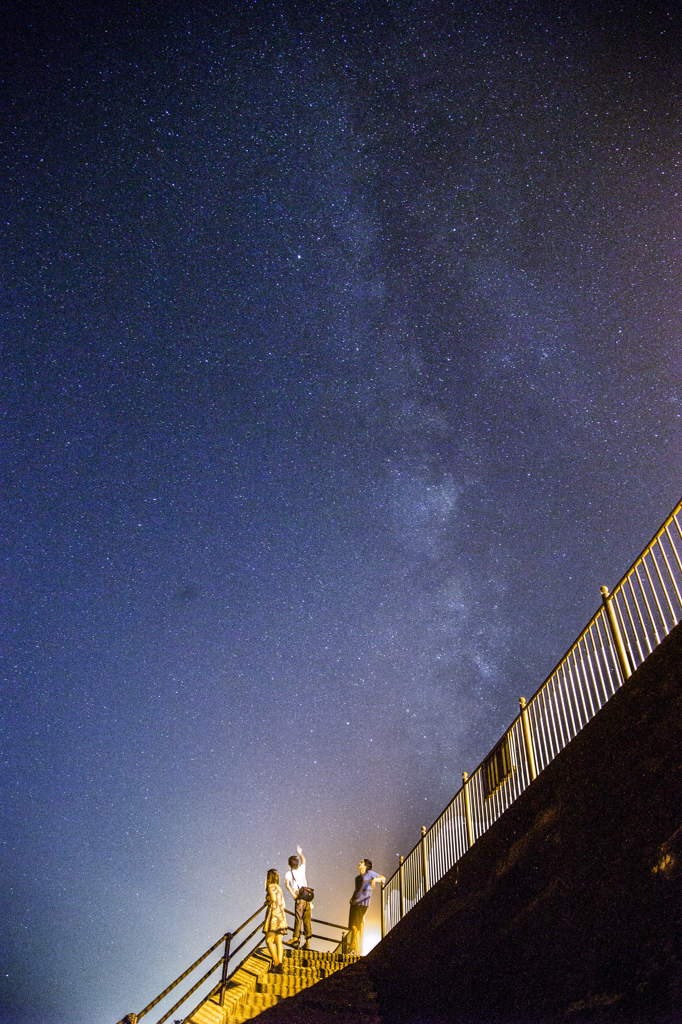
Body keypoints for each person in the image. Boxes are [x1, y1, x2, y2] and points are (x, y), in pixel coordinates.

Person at [347, 858, 385, 956]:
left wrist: (375, 880)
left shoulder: (370, 873)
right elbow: (357, 890)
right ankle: (354, 949)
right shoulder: (357, 878)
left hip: (362, 903)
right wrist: (351, 899)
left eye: (362, 862)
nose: (359, 863)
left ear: (366, 866)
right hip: (354, 903)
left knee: (356, 926)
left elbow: (383, 878)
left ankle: (351, 948)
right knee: (352, 926)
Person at [284, 844, 312, 950]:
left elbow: (287, 885)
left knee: (298, 918)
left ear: (289, 864)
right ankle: (307, 942)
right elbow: (304, 861)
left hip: (299, 897)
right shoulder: (301, 869)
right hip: (307, 897)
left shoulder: (288, 873)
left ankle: (295, 938)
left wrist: (293, 895)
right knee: (307, 919)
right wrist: (300, 853)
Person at [263, 868, 287, 972]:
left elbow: (273, 899)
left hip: (273, 914)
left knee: (268, 940)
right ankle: (279, 963)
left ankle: (276, 962)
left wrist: (266, 903)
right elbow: (284, 904)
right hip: (281, 915)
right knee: (279, 941)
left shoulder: (270, 886)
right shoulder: (279, 888)